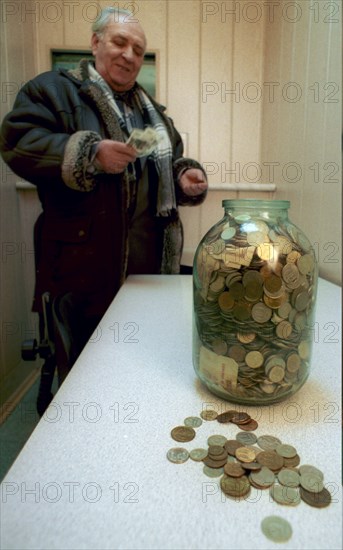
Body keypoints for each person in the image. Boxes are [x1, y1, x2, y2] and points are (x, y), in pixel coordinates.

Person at [0, 7, 208, 407]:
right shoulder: (52, 90)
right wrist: (89, 154)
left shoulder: (153, 114)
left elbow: (169, 162)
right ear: (95, 43)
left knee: (142, 360)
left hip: (150, 267)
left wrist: (185, 176)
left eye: (138, 49)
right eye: (119, 42)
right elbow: (17, 142)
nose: (130, 54)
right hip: (84, 269)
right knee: (87, 372)